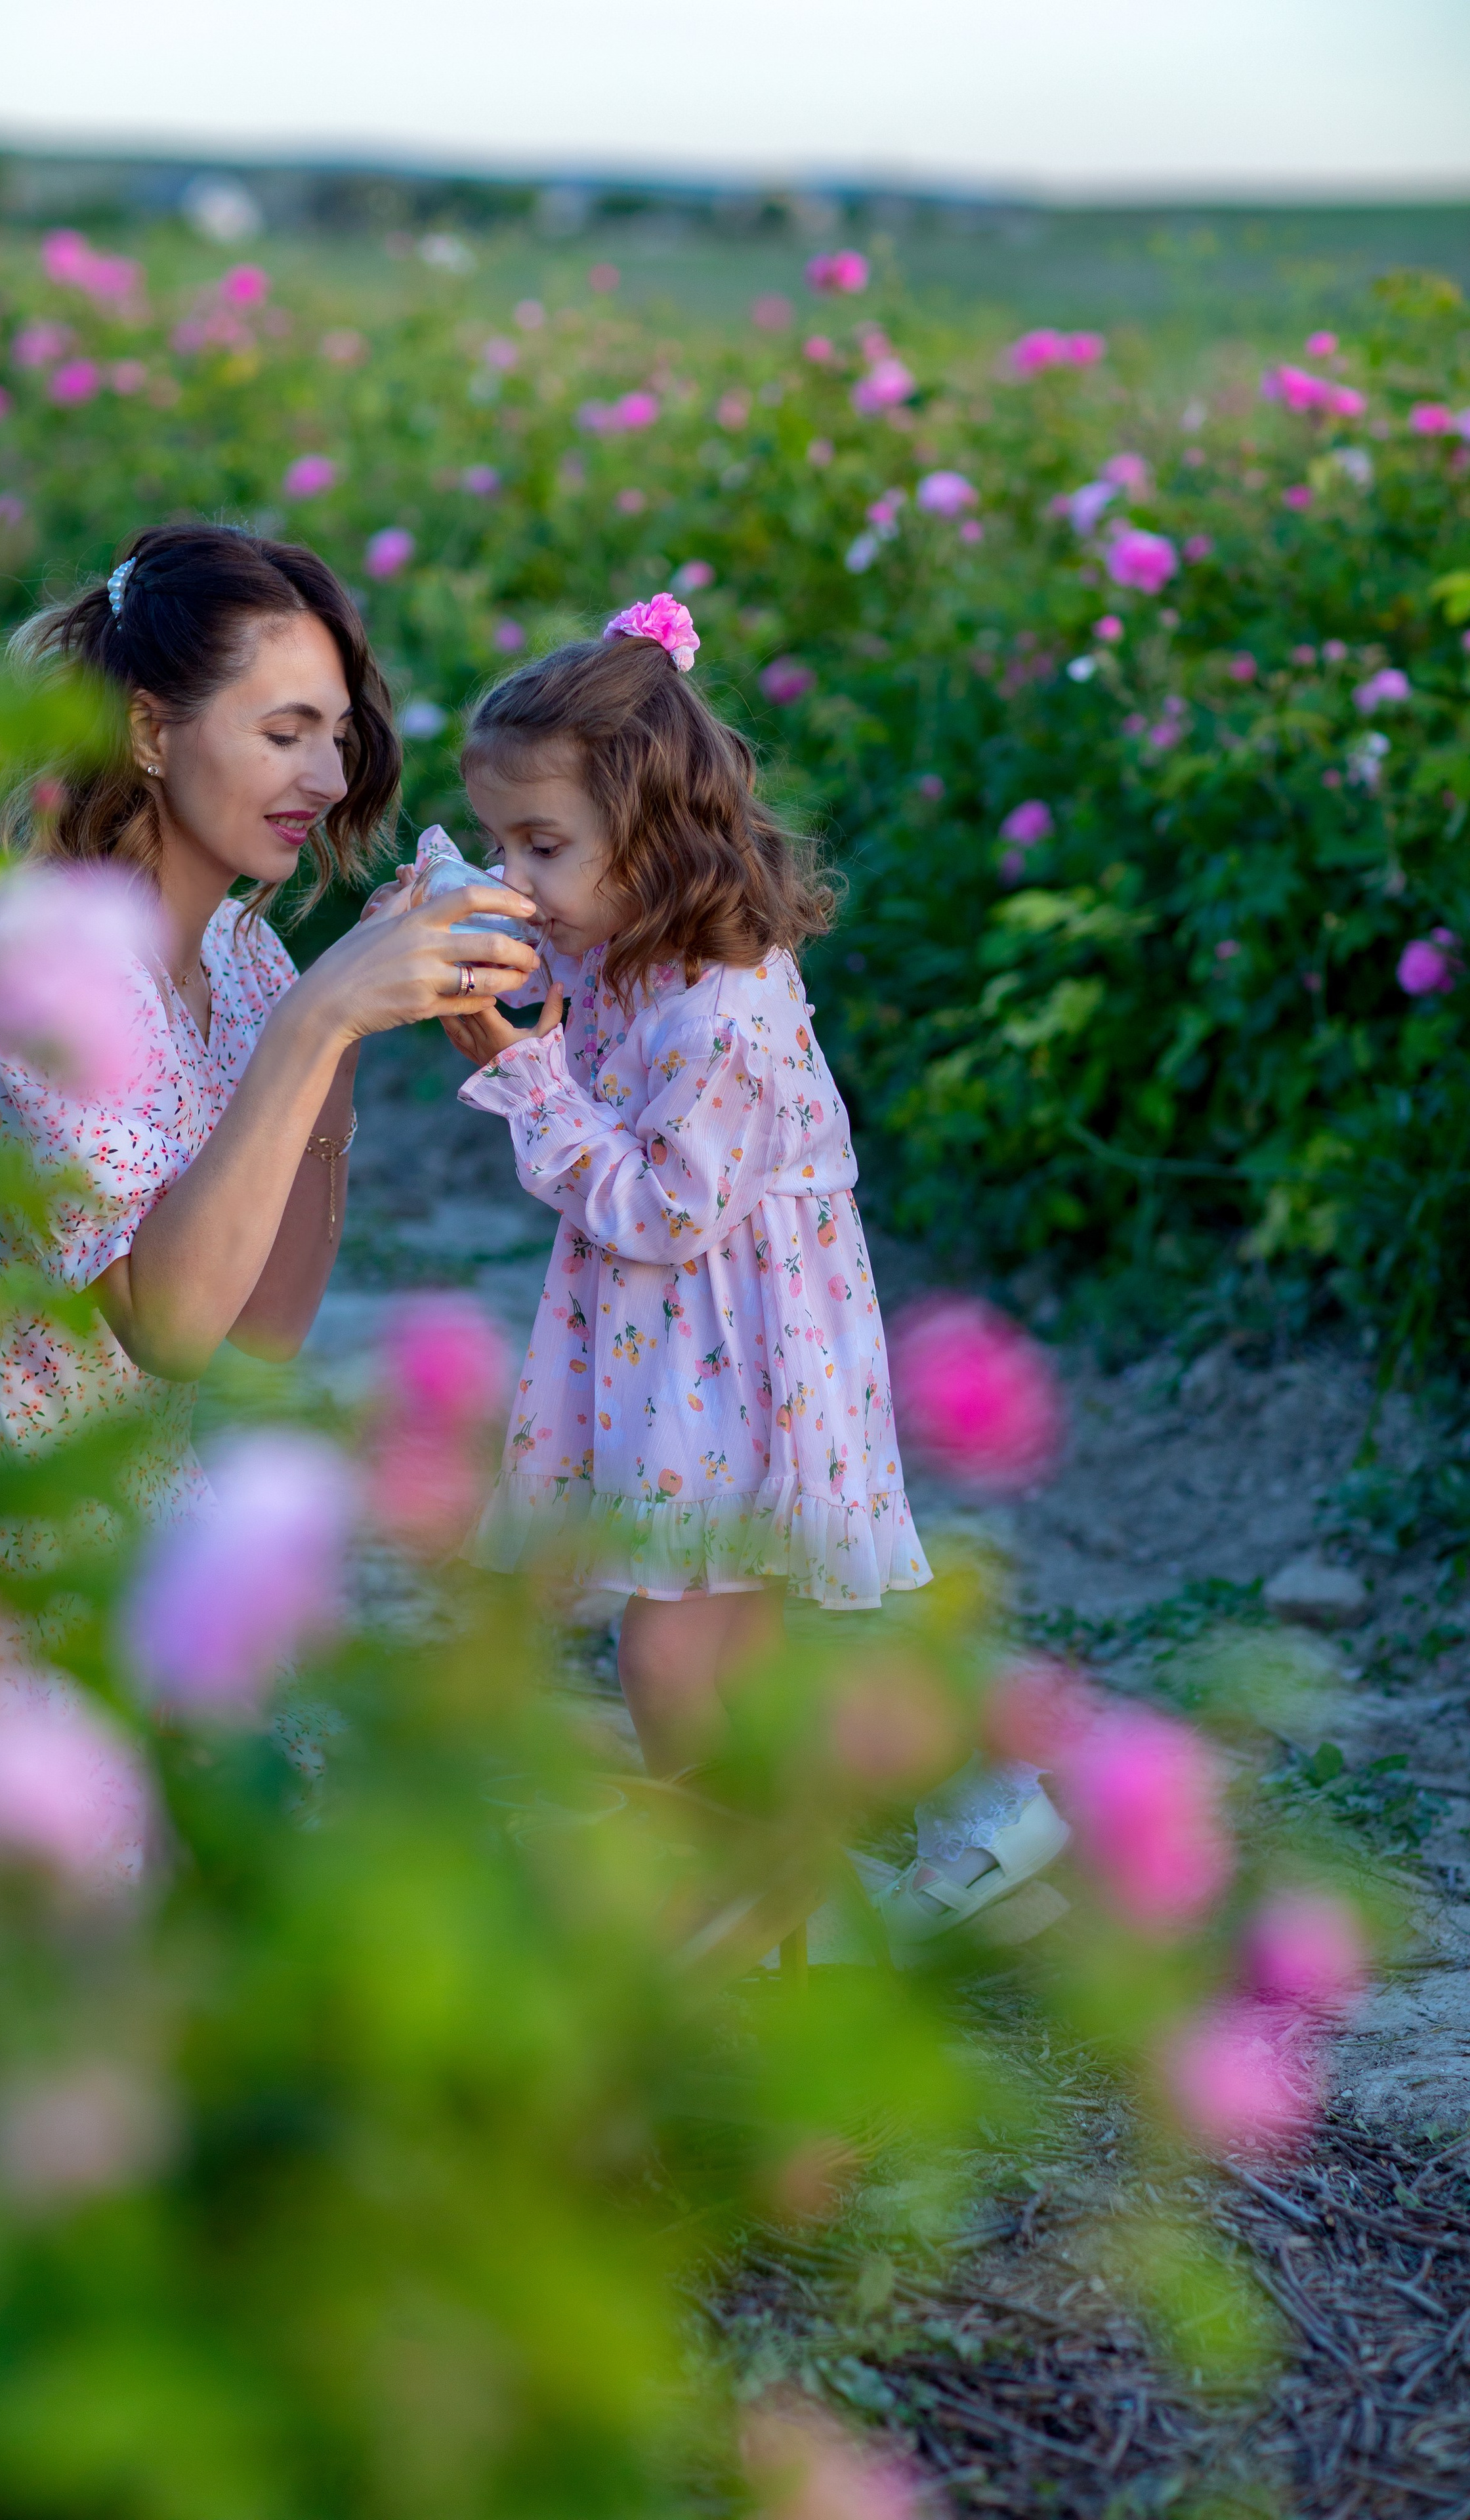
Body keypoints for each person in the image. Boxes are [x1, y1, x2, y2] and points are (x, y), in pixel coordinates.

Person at [437, 596, 1066, 1935]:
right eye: (501, 840)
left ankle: (759, 1897)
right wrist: (455, 929)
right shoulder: (625, 937)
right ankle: (855, 1874)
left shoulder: (720, 1005)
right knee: (729, 1651)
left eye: (538, 844)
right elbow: (544, 951)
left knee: (669, 1656)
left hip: (728, 1361)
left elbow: (662, 1212)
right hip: (690, 1354)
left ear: (653, 835)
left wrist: (524, 1075)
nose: (518, 873)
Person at [0, 521, 538, 1530]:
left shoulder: (243, 955)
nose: (331, 781)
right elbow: (165, 1333)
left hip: (142, 1508)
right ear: (148, 733)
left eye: (338, 738)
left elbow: (259, 1338)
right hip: (0, 1517)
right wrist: (318, 1016)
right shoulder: (47, 972)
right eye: (283, 734)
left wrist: (338, 1044)